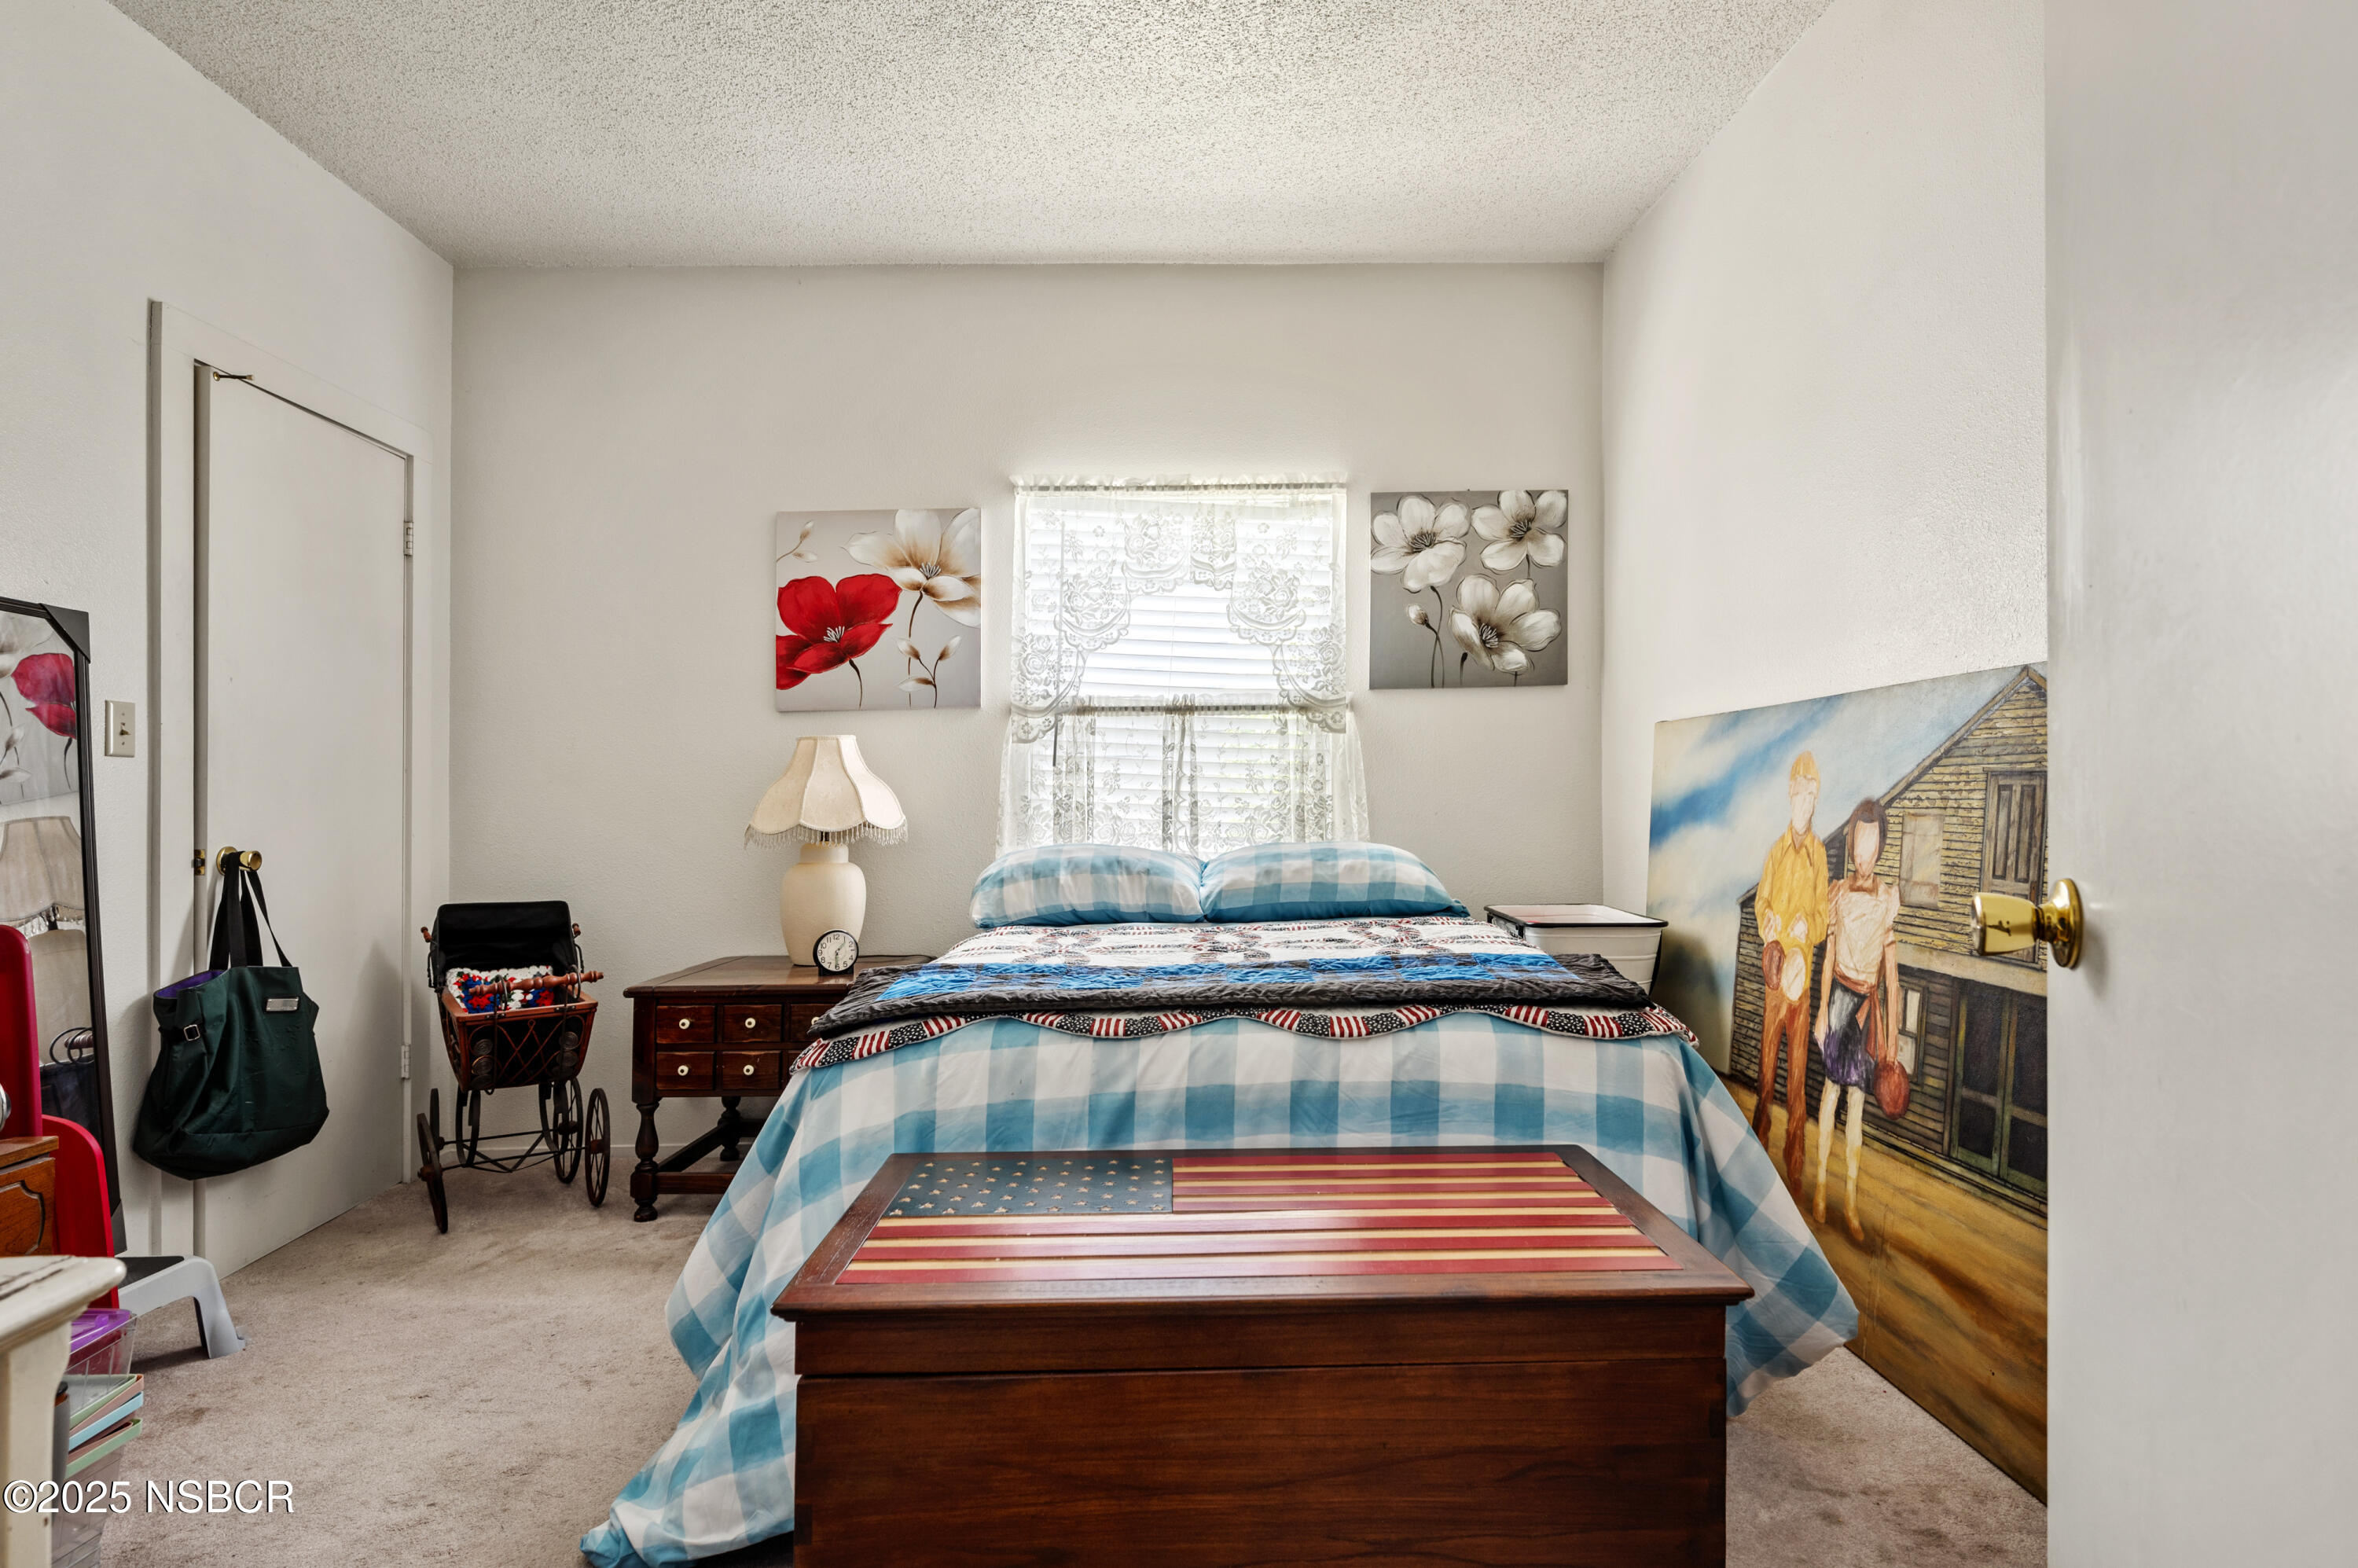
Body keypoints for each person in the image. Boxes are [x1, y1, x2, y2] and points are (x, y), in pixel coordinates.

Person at [1813, 798, 1901, 1243]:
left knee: (1858, 1105)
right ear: (1851, 845)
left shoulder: (1888, 898)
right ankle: (1822, 1191)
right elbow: (1827, 957)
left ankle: (1850, 1203)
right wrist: (1821, 1011)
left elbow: (1892, 973)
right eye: (1858, 844)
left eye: (1872, 844)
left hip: (1868, 1008)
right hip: (1840, 1003)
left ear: (1881, 846)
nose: (1863, 854)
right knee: (1829, 1094)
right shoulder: (1838, 893)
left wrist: (1893, 1037)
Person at [1752, 752, 1828, 1192]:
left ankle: (1794, 1167)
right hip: (1776, 981)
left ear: (1816, 800)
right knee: (1766, 1075)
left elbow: (1822, 919)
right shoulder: (1776, 853)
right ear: (1790, 795)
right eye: (1799, 792)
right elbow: (1762, 904)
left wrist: (1809, 926)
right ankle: (1758, 1152)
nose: (1804, 801)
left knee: (1797, 1081)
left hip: (1803, 988)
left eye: (1811, 794)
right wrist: (1770, 926)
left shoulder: (1818, 855)